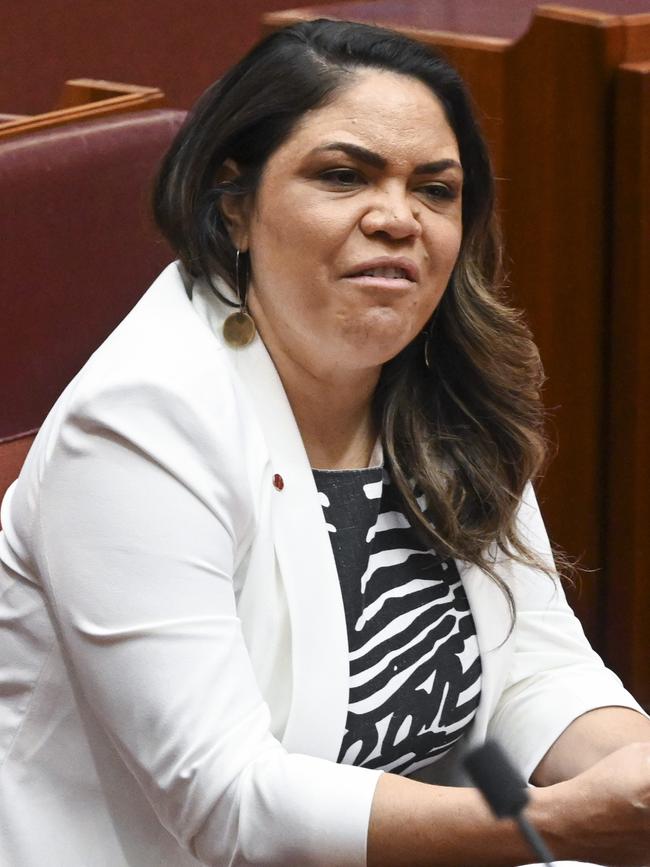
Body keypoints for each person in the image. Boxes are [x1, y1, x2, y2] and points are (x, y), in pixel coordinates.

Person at [0, 18, 649, 867]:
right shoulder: (139, 424)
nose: (398, 217)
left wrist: (632, 775)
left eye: (436, 189)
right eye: (344, 177)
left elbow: (530, 660)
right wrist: (547, 828)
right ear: (233, 205)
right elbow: (231, 805)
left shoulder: (444, 381)